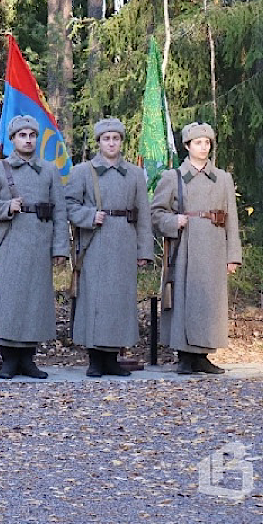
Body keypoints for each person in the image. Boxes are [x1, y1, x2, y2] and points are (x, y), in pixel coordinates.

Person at [0, 114, 70, 379]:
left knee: (35, 303)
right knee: (9, 302)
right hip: (9, 243)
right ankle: (8, 360)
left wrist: (60, 247)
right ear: (13, 139)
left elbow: (60, 211)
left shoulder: (49, 170)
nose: (28, 140)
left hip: (40, 244)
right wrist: (6, 207)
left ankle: (28, 360)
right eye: (22, 135)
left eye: (32, 135)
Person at [151, 122, 241, 375]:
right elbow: (156, 212)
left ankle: (202, 356)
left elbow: (232, 219)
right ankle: (184, 357)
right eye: (198, 143)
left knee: (209, 302)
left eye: (207, 142)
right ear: (187, 146)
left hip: (213, 249)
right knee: (182, 300)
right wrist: (172, 221)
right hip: (184, 247)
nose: (203, 147)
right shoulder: (173, 177)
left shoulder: (223, 178)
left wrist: (233, 255)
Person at [65, 118, 153, 377]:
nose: (111, 143)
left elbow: (144, 215)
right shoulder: (83, 171)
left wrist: (144, 250)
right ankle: (95, 359)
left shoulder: (135, 174)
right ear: (99, 142)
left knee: (119, 301)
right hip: (95, 242)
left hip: (124, 242)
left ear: (121, 142)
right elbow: (68, 205)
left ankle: (112, 358)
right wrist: (89, 216)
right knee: (94, 299)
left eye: (115, 138)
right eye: (106, 139)